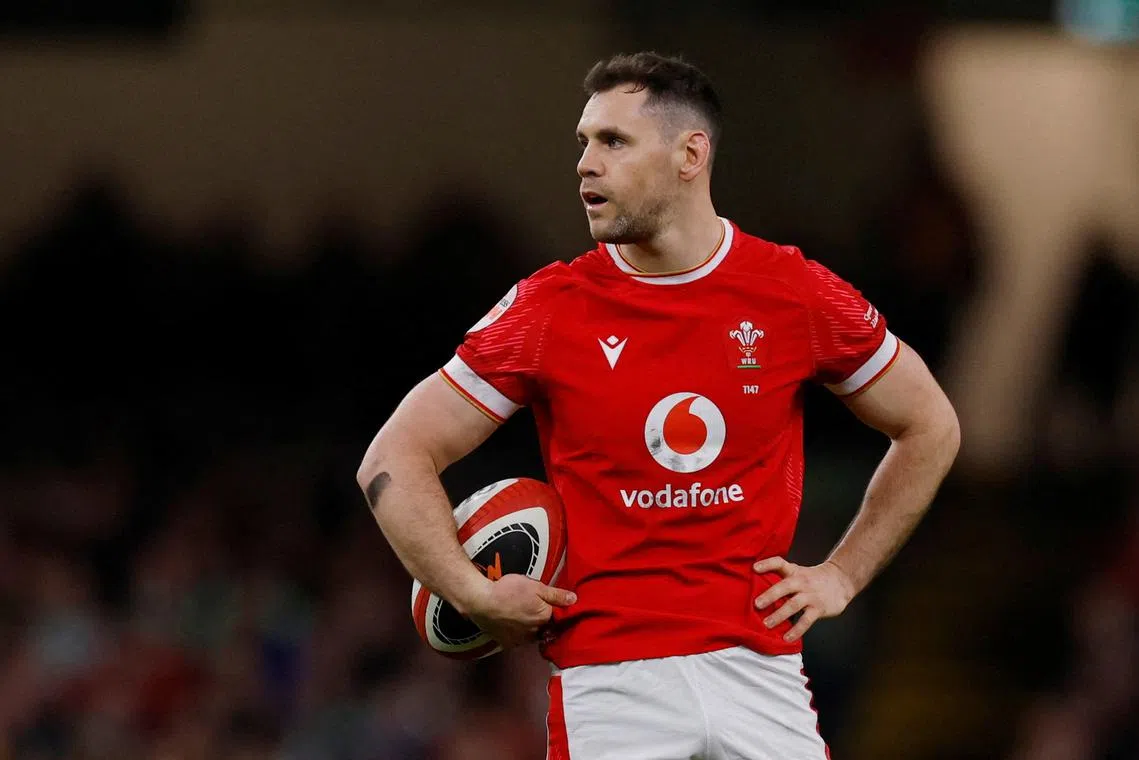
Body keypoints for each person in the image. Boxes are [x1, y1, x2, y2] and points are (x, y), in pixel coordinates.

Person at [357, 51, 960, 759]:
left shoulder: (793, 292)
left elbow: (931, 426)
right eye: (583, 143)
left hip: (760, 675)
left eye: (613, 142)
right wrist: (469, 589)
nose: (586, 163)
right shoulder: (550, 308)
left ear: (690, 155)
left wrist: (842, 574)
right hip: (610, 688)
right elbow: (392, 456)